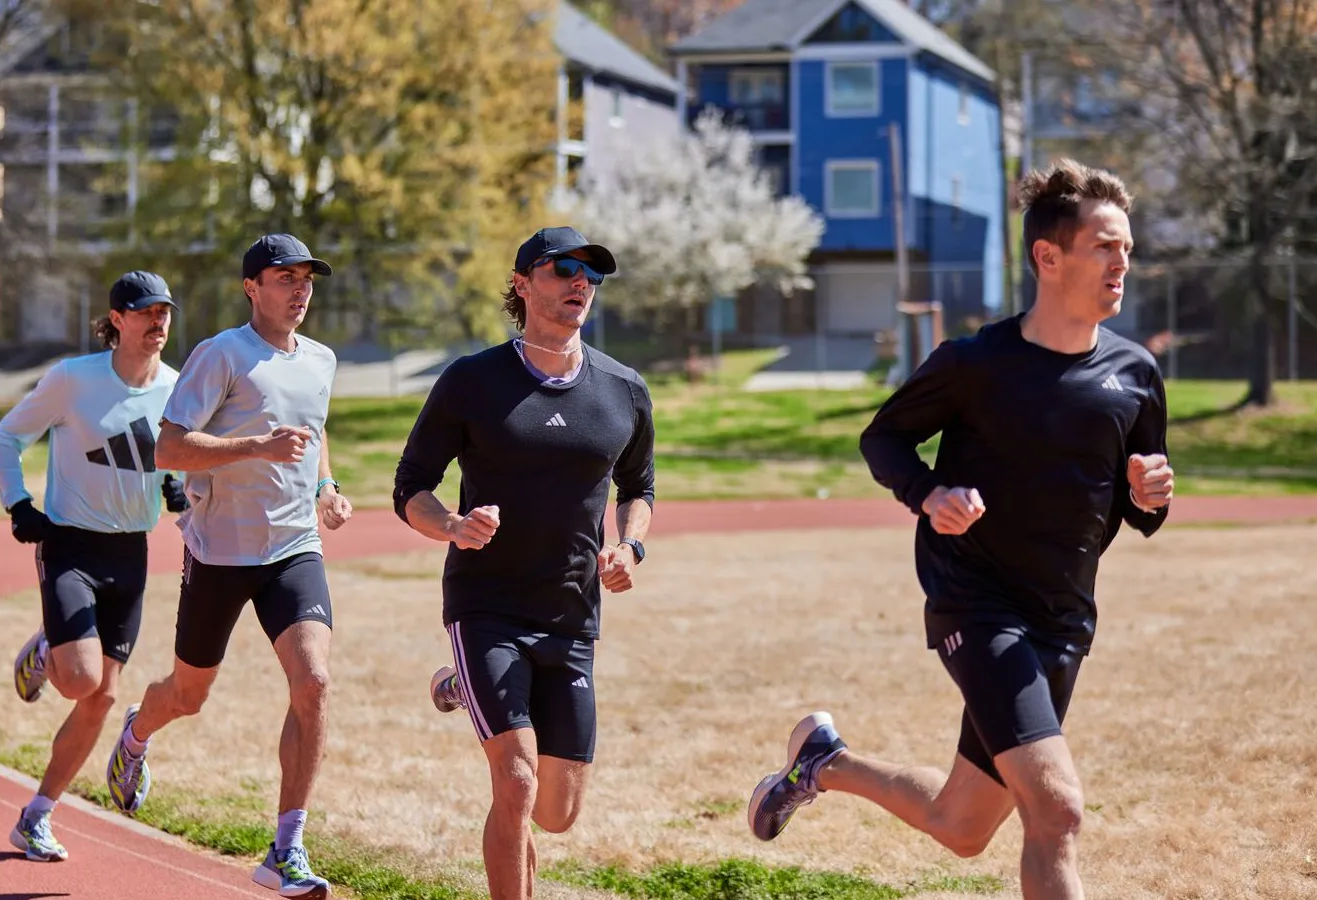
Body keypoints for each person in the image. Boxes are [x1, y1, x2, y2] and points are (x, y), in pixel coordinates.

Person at [745, 159, 1176, 900]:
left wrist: (1153, 495)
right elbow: (883, 440)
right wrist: (929, 492)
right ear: (1049, 256)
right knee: (1058, 809)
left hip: (1064, 620)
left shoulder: (1135, 375)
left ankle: (823, 762)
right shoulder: (977, 364)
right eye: (1105, 246)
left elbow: (1140, 511)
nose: (1122, 264)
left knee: (962, 825)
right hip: (978, 606)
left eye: (1127, 250)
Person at [392, 226, 656, 900]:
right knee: (515, 781)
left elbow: (639, 489)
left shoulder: (623, 390)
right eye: (563, 269)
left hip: (570, 614)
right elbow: (410, 486)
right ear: (521, 283)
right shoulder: (472, 381)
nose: (579, 284)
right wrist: (452, 526)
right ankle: (476, 681)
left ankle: (461, 688)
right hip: (487, 607)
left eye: (591, 276)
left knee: (556, 811)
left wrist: (629, 546)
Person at [103, 233, 354, 900]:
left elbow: (313, 430)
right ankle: (135, 734)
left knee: (316, 681)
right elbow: (170, 449)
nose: (299, 289)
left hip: (294, 548)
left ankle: (287, 847)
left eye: (307, 278)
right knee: (188, 695)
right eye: (284, 277)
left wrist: (326, 487)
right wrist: (257, 448)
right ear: (252, 287)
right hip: (220, 552)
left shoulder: (322, 360)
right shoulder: (222, 354)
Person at [0, 270, 186, 862]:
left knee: (101, 698)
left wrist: (176, 482)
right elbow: (7, 437)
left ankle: (37, 816)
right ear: (118, 319)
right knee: (78, 681)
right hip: (71, 544)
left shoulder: (177, 389)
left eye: (165, 313)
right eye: (146, 312)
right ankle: (54, 647)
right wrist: (18, 505)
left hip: (131, 553)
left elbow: (179, 454)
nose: (157, 323)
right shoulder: (74, 380)